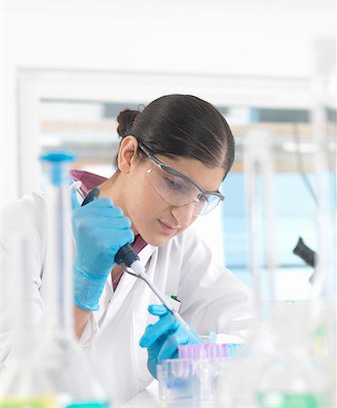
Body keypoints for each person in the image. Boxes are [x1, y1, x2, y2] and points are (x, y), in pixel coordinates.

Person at [1, 94, 255, 405]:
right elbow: (11, 385)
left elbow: (257, 341)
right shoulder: (24, 226)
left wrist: (202, 357)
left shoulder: (182, 251)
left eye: (202, 197)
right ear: (129, 155)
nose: (185, 216)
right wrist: (79, 296)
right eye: (175, 184)